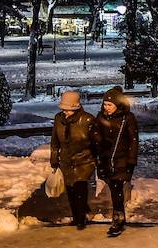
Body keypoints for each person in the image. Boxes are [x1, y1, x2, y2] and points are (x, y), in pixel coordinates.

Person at [95, 86, 139, 237]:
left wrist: (131, 161)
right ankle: (119, 217)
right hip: (106, 159)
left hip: (121, 159)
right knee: (114, 189)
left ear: (117, 105)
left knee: (117, 189)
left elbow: (133, 141)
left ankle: (118, 219)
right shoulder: (101, 117)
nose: (106, 108)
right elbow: (96, 136)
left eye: (109, 105)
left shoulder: (128, 118)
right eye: (104, 104)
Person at [50, 90, 96, 230]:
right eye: (63, 109)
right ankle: (76, 216)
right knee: (70, 190)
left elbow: (95, 142)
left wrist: (96, 160)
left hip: (84, 161)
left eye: (68, 110)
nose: (65, 112)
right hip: (66, 161)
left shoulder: (88, 120)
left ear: (76, 107)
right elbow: (55, 141)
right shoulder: (59, 119)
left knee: (80, 188)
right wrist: (54, 159)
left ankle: (80, 218)